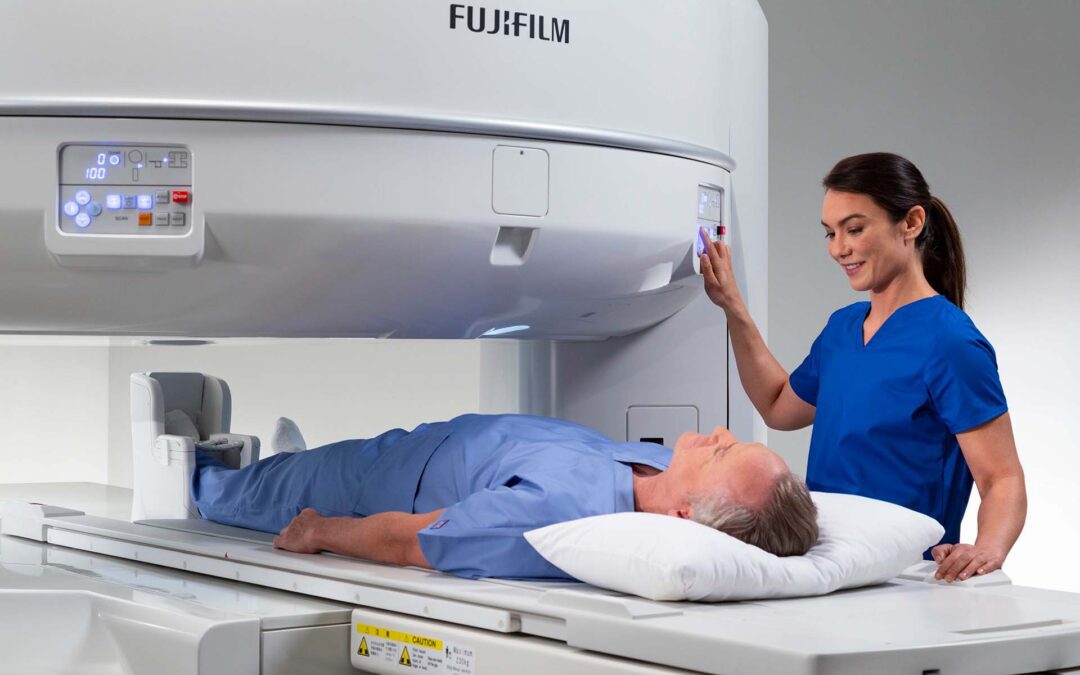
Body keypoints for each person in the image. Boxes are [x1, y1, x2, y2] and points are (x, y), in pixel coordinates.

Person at [700, 152, 1026, 583]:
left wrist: (987, 550)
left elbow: (1002, 478)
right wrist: (733, 307)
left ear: (911, 223)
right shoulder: (843, 328)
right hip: (829, 567)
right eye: (831, 233)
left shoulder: (951, 343)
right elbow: (778, 407)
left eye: (854, 229)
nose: (839, 248)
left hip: (906, 579)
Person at [191, 414, 819, 579]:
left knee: (247, 492)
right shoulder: (659, 467)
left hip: (373, 489)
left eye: (723, 454)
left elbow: (416, 542)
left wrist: (319, 530)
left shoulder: (562, 519)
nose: (720, 434)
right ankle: (285, 461)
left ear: (687, 516)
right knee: (302, 463)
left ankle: (194, 468)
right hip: (421, 444)